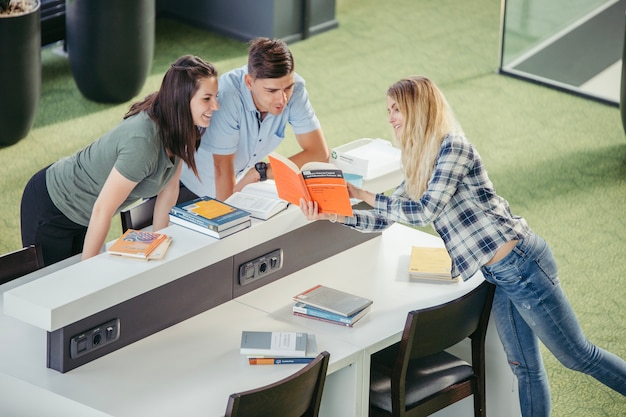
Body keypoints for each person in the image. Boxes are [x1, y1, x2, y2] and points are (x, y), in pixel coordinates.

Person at [299, 75, 626, 416]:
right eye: (389, 110)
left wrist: (365, 194)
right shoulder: (419, 162)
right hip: (498, 274)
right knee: (524, 368)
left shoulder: (453, 148)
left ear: (418, 109)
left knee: (577, 355)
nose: (390, 117)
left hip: (521, 264)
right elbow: (383, 219)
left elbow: (425, 209)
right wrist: (333, 215)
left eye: (397, 109)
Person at [20, 55, 219, 266]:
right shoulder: (143, 142)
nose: (215, 106)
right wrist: (88, 269)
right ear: (181, 99)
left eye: (216, 96)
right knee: (55, 288)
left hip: (84, 215)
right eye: (207, 98)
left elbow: (168, 193)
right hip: (53, 206)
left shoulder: (181, 128)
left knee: (75, 288)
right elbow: (103, 209)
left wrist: (160, 249)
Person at [179, 37, 329, 202]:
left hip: (240, 181)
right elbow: (222, 169)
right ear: (249, 82)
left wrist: (260, 172)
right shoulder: (227, 96)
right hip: (190, 185)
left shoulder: (296, 89)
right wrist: (229, 217)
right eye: (271, 91)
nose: (283, 99)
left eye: (288, 87)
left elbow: (319, 153)